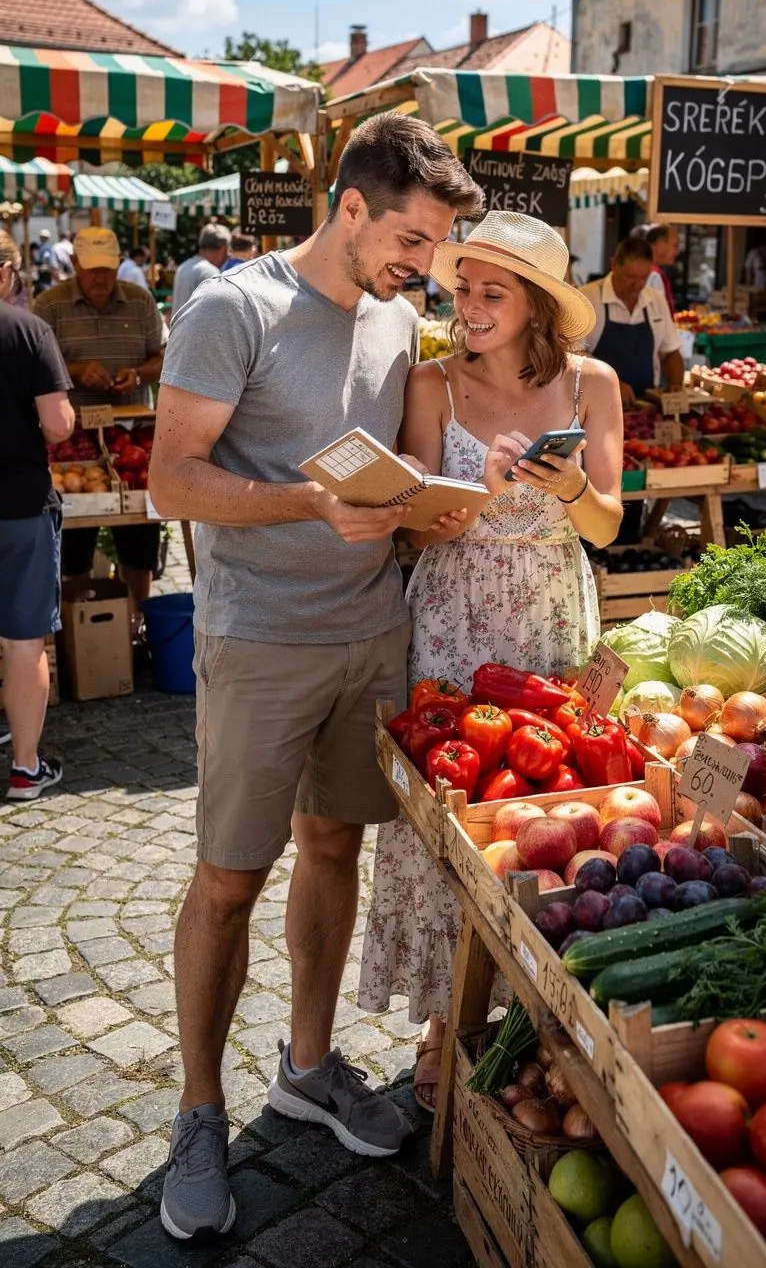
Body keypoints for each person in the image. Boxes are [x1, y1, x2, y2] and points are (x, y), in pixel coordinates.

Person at [149, 111, 484, 1240]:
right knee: (229, 879)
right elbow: (170, 482)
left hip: (370, 631)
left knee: (335, 843)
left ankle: (306, 1062)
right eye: (411, 239)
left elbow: (387, 480)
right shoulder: (231, 307)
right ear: (349, 209)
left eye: (434, 245)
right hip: (259, 637)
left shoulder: (394, 318)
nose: (423, 265)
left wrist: (422, 516)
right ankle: (199, 1112)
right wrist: (307, 502)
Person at [358, 211, 623, 1109]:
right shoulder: (431, 382)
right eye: (462, 289)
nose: (467, 306)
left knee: (551, 801)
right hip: (453, 613)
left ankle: (532, 1009)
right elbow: (415, 524)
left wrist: (572, 486)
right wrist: (484, 489)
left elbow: (607, 525)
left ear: (537, 305)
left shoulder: (593, 384)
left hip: (554, 611)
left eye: (491, 293)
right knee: (453, 807)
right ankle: (444, 1016)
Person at [35, 227, 165, 616]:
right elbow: (33, 368)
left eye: (107, 269)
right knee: (73, 551)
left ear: (118, 264)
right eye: (92, 269)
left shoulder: (140, 301)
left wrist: (138, 375)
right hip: (69, 444)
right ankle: (79, 626)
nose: (100, 278)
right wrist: (73, 371)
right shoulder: (50, 305)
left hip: (132, 440)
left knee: (139, 550)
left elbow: (163, 358)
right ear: (75, 263)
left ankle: (138, 623)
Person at [0, 230, 75, 799]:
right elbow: (58, 424)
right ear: (6, 273)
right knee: (24, 642)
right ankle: (25, 768)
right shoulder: (27, 331)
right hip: (20, 506)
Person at [583, 236, 684, 407]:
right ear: (614, 264)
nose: (637, 285)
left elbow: (670, 352)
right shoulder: (587, 299)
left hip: (646, 405)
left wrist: (676, 386)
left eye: (644, 277)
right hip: (595, 406)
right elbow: (571, 355)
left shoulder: (656, 300)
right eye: (630, 277)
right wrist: (611, 383)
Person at [171, 223, 231, 317]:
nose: (229, 256)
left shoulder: (183, 267)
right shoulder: (210, 272)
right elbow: (214, 313)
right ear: (224, 249)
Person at [645, 224, 679, 315]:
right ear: (660, 245)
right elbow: (657, 317)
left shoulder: (647, 271)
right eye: (675, 246)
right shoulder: (653, 275)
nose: (677, 252)